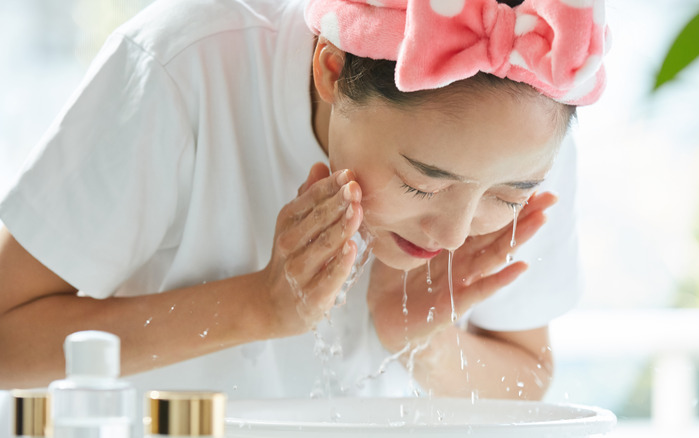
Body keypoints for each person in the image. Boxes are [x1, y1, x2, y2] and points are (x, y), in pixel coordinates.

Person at [0, 0, 607, 401]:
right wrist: (257, 306)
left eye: (506, 196)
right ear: (330, 68)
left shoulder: (528, 126)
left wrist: (421, 341)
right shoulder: (185, 66)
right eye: (423, 184)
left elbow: (528, 375)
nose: (453, 235)